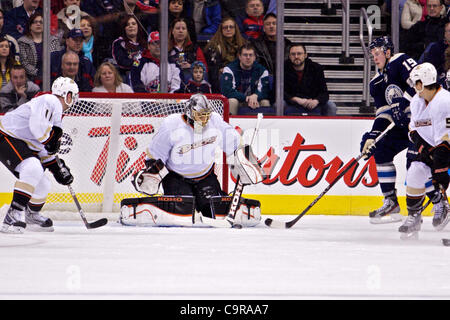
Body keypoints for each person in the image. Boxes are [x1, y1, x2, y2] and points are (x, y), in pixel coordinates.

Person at [124, 93, 263, 227]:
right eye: (199, 116)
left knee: (215, 210)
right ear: (189, 113)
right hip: (176, 177)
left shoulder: (214, 120)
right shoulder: (172, 124)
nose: (204, 121)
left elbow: (234, 143)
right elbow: (155, 155)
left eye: (206, 116)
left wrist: (248, 160)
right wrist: (151, 174)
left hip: (205, 176)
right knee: (182, 212)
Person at [360, 36, 441, 224]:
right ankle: (391, 201)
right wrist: (373, 136)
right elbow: (384, 113)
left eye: (378, 53)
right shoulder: (376, 82)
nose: (375, 57)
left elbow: (421, 82)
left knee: (415, 164)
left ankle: (438, 204)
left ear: (388, 52)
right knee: (380, 150)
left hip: (422, 121)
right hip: (402, 125)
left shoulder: (400, 61)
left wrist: (404, 100)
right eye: (372, 54)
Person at [0, 77, 78, 233]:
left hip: (19, 141)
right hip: (5, 135)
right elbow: (38, 129)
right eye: (73, 96)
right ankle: (13, 215)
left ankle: (31, 214)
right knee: (33, 168)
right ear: (68, 95)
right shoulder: (50, 100)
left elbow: (42, 145)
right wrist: (51, 140)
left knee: (43, 184)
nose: (74, 100)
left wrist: (57, 168)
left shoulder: (54, 112)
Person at [398, 62, 449, 238]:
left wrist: (440, 168)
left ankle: (441, 203)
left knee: (439, 175)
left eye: (414, 83)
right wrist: (424, 150)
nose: (413, 86)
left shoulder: (445, 101)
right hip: (434, 150)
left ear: (421, 83)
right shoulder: (417, 102)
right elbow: (413, 130)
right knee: (415, 171)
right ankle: (414, 215)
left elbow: (446, 140)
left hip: (445, 149)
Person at [283, 43, 337, 116]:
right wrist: (295, 99)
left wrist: (316, 101)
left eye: (299, 54)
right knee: (279, 104)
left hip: (312, 102)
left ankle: (328, 127)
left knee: (331, 106)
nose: (296, 57)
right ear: (289, 56)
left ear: (305, 55)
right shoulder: (282, 68)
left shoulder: (316, 68)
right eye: (293, 54)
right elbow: (277, 92)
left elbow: (324, 93)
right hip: (291, 101)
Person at [251, 13, 292, 103]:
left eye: (274, 23)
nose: (271, 26)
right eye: (268, 24)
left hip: (283, 84)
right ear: (264, 28)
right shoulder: (255, 44)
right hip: (262, 82)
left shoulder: (288, 44)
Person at [220, 43, 271, 115]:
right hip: (239, 100)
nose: (248, 57)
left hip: (255, 100)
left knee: (265, 102)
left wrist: (256, 95)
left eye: (251, 55)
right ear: (239, 56)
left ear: (254, 57)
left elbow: (265, 91)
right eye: (245, 55)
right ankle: (229, 125)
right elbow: (227, 92)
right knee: (232, 101)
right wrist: (247, 98)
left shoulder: (262, 70)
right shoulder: (229, 69)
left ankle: (265, 126)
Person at [18, 12, 61, 87]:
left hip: (52, 77)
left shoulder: (54, 40)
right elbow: (24, 62)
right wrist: (38, 74)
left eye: (41, 22)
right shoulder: (22, 41)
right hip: (30, 79)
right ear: (30, 26)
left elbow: (56, 60)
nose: (38, 24)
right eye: (35, 22)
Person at [204, 16, 246, 93]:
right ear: (221, 30)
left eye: (231, 27)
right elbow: (213, 69)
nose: (228, 29)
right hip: (222, 77)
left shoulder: (244, 45)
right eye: (225, 27)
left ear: (235, 29)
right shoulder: (213, 46)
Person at [168, 18, 208, 88]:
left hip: (191, 84)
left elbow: (204, 69)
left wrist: (191, 66)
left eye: (183, 28)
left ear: (187, 32)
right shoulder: (166, 49)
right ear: (172, 31)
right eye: (177, 28)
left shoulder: (195, 49)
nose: (181, 31)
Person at [111, 14, 146, 82]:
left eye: (133, 24)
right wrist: (138, 64)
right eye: (127, 24)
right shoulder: (118, 43)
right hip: (126, 77)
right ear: (124, 28)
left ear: (138, 27)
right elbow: (122, 62)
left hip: (144, 76)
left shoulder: (145, 44)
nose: (131, 26)